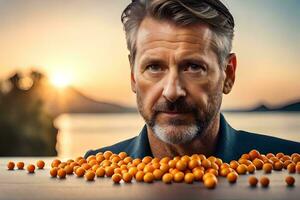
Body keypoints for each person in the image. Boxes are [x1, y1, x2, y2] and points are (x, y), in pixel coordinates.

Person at [85, 0, 300, 162]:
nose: (172, 91)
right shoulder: (93, 170)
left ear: (229, 75)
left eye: (193, 67)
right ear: (133, 76)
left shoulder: (291, 161)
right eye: (154, 67)